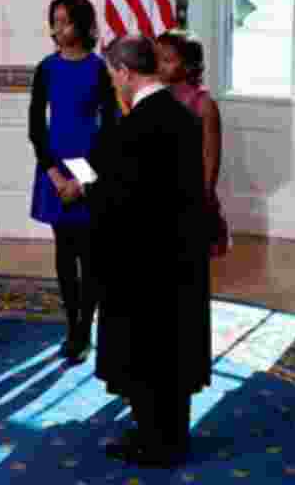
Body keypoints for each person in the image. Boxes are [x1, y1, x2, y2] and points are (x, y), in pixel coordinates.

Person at [85, 37, 212, 468]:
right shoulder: (181, 116)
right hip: (181, 258)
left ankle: (152, 443)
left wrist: (84, 188)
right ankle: (172, 437)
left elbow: (120, 200)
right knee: (173, 354)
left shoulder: (136, 126)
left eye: (111, 74)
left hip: (141, 262)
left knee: (144, 355)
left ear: (124, 71)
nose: (112, 83)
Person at [28, 0, 117, 364]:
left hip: (88, 166)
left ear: (82, 24)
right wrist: (54, 174)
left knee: (90, 254)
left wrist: (82, 181)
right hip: (53, 165)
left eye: (64, 20)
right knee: (64, 252)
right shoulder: (46, 68)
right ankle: (72, 326)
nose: (57, 27)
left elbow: (110, 127)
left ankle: (85, 328)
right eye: (55, 20)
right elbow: (36, 125)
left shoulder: (100, 69)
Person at [156, 32, 230, 257]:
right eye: (156, 58)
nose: (159, 65)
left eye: (167, 60)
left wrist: (205, 195)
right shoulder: (156, 98)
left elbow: (210, 155)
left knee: (191, 255)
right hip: (160, 188)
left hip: (191, 191)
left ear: (189, 66)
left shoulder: (203, 104)